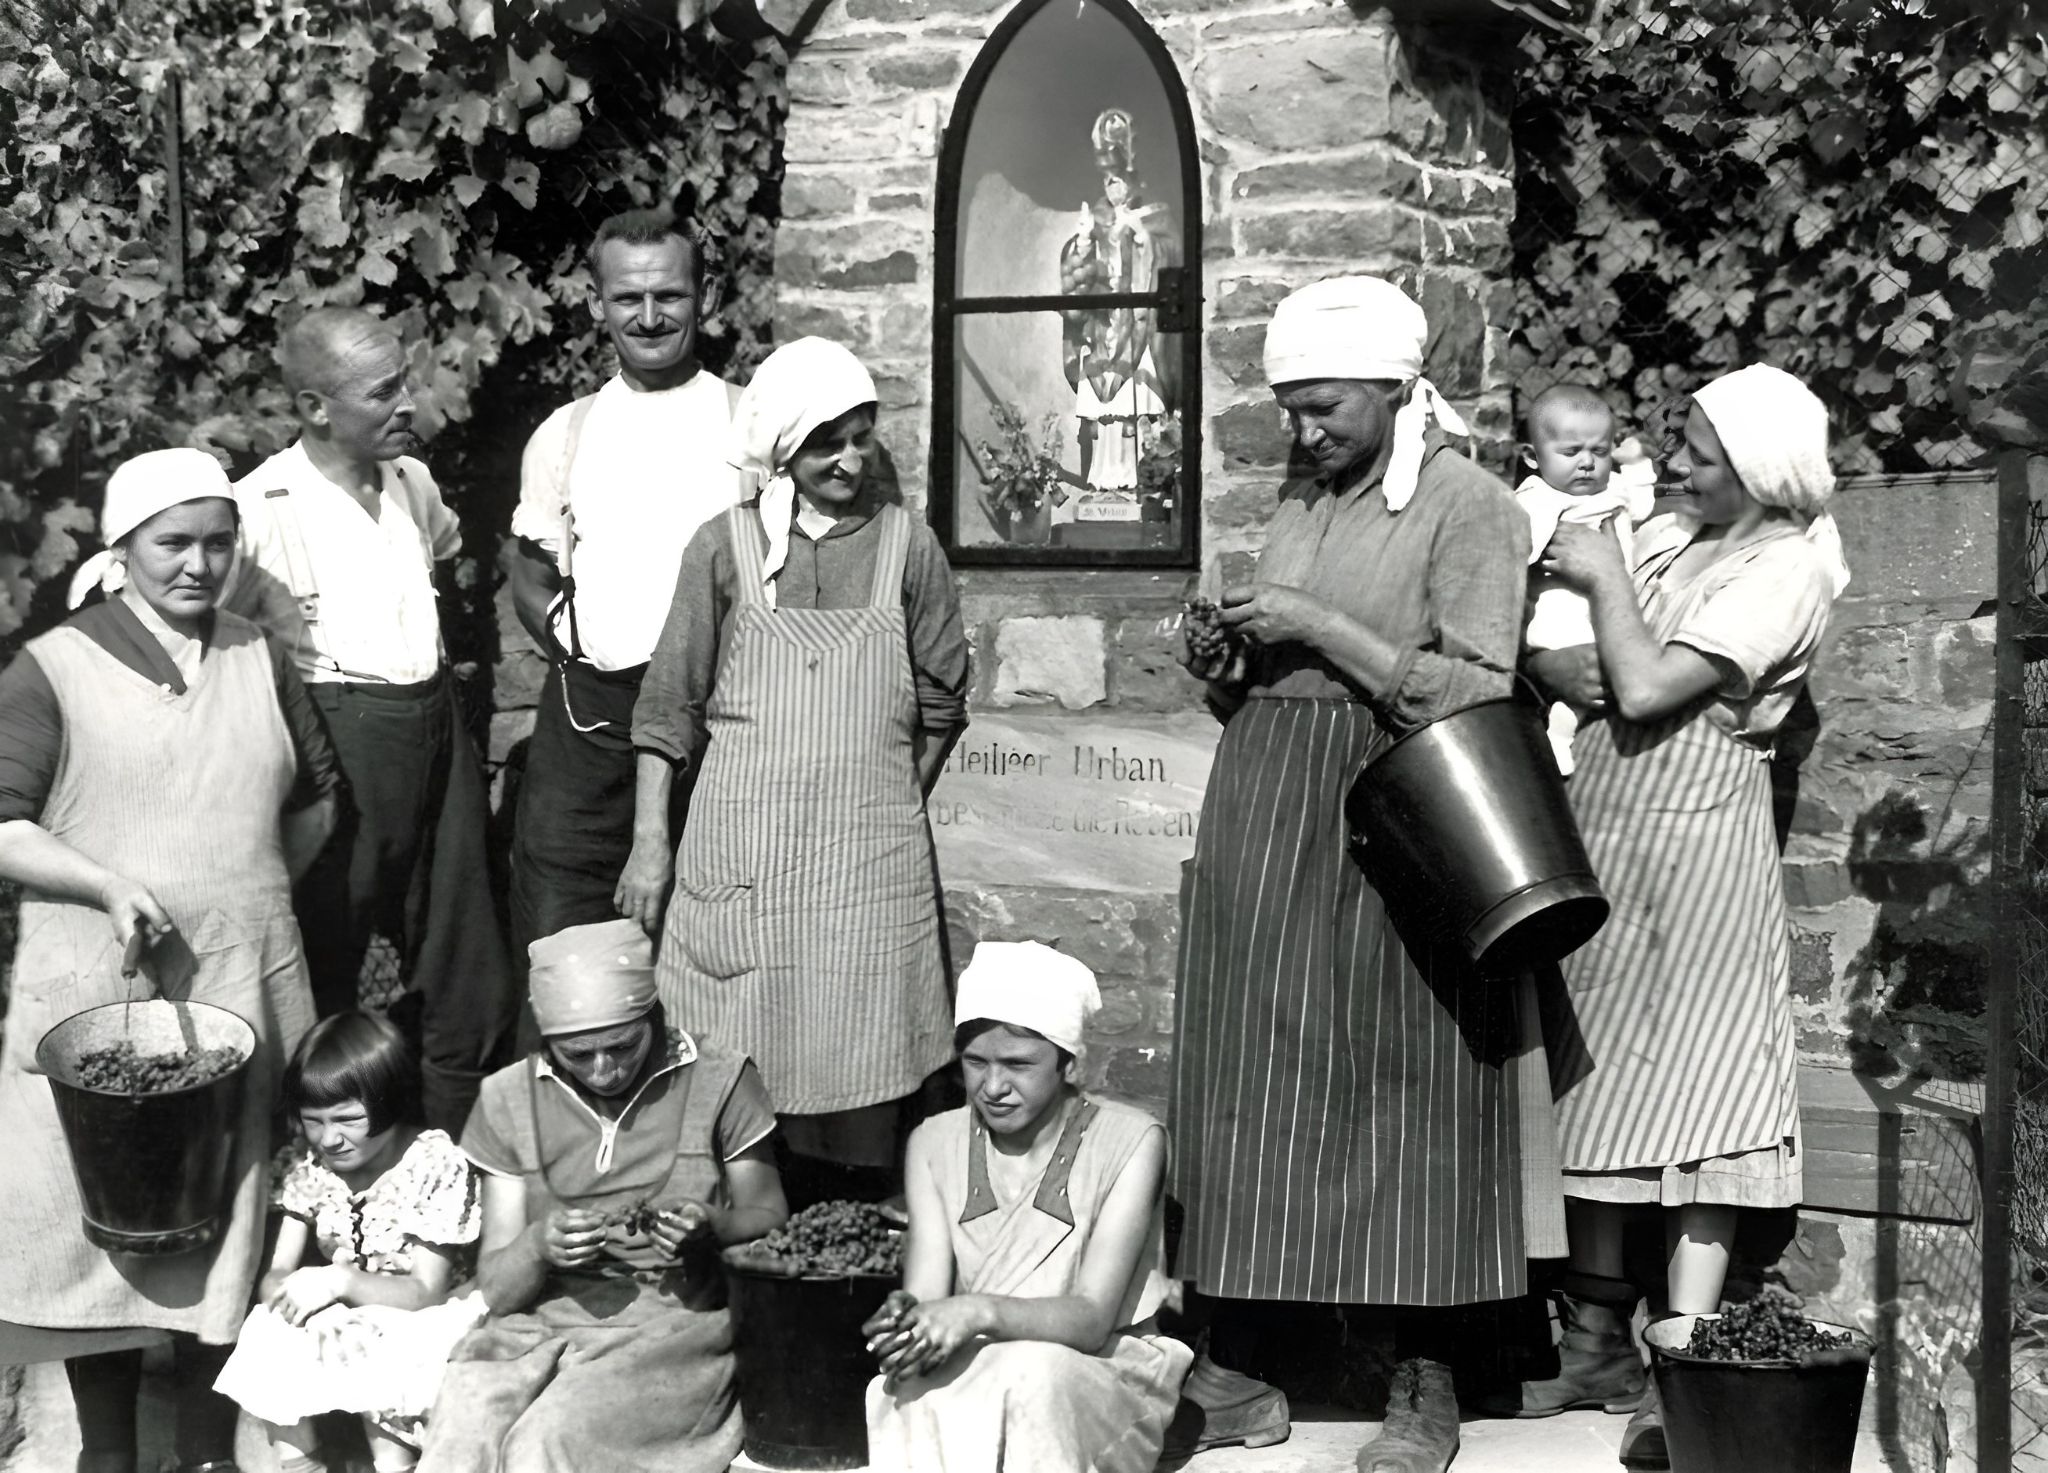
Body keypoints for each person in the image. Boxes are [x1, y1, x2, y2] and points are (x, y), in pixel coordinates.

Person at [1170, 276, 1553, 1473]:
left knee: (1409, 1078)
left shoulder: (1467, 506)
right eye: (1288, 410)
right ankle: (1236, 1361)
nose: (1301, 432)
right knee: (1252, 1070)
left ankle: (1424, 1379)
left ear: (1395, 387)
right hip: (1267, 798)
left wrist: (1316, 626)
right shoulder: (1306, 496)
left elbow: (1485, 686)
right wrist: (1222, 659)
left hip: (1404, 808)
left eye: (1323, 407)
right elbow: (1266, 664)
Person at [1508, 364, 1850, 1465]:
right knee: (1599, 1085)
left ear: (1756, 465)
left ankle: (1684, 1362)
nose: (1679, 459)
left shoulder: (1784, 565)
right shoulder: (1664, 538)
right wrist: (1587, 642)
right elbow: (1586, 666)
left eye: (1699, 447)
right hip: (1605, 841)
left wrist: (1605, 584)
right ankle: (1595, 1334)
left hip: (1699, 852)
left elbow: (1652, 688)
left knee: (1701, 1098)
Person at [0, 448, 338, 1473]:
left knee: (224, 1220)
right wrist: (107, 885)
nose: (198, 564)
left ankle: (204, 1451)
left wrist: (246, 897)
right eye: (172, 543)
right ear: (123, 548)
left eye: (217, 541)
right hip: (101, 984)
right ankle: (107, 1454)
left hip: (240, 984)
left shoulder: (257, 655)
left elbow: (315, 797)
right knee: (89, 1231)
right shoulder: (53, 665)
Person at [627, 336, 969, 1203]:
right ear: (784, 449)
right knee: (736, 1065)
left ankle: (847, 1261)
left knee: (861, 1066)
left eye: (861, 436)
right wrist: (648, 847)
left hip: (865, 874)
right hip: (744, 863)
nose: (850, 459)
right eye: (826, 443)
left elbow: (942, 708)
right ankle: (738, 1251)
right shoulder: (725, 546)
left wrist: (884, 803)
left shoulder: (907, 548)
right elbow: (668, 708)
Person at [227, 306, 514, 1134]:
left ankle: (456, 1161)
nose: (407, 406)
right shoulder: (261, 510)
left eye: (405, 384)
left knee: (467, 963)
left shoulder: (411, 484)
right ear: (316, 407)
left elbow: (448, 571)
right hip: (340, 739)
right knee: (329, 961)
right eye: (382, 392)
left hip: (434, 730)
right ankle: (319, 1169)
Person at [416, 919, 788, 1473]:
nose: (604, 1069)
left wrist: (714, 1225)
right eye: (577, 1054)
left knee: (545, 1444)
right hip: (534, 1324)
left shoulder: (720, 1080)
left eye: (622, 1046)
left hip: (672, 1330)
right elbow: (495, 1286)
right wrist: (538, 1247)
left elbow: (772, 1216)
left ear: (652, 1016)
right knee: (461, 1438)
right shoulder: (508, 1099)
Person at [504, 207, 747, 970]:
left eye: (669, 296)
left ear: (705, 297)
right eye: (627, 299)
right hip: (588, 729)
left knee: (711, 950)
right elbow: (532, 574)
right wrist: (583, 656)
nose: (648, 318)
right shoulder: (566, 432)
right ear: (596, 304)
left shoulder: (749, 428)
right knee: (565, 949)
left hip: (717, 728)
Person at [862, 941, 1193, 1471]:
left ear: (1068, 1063)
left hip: (1098, 1367)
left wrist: (975, 1310)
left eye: (1018, 1064)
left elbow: (1090, 1319)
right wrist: (909, 1325)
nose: (993, 1087)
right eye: (975, 1063)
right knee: (897, 1392)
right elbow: (925, 1292)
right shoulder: (933, 1141)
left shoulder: (1131, 1140)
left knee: (1034, 1377)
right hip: (978, 1356)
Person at [215, 1011, 483, 1473]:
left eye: (348, 1119)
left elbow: (426, 1291)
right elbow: (275, 1274)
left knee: (381, 1348)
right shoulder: (308, 1164)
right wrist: (314, 1305)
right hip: (338, 1306)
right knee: (270, 1325)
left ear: (390, 1102)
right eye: (313, 1121)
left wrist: (341, 1281)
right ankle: (300, 1463)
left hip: (420, 1313)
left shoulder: (433, 1162)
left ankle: (394, 1464)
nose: (330, 1138)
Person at [1513, 383, 1650, 775]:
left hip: (1608, 608)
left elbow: (1642, 503)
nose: (1587, 463)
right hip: (1562, 617)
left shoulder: (1611, 488)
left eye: (1600, 451)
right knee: (1588, 676)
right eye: (1571, 452)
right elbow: (1518, 550)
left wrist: (1637, 463)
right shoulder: (1538, 500)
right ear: (1532, 456)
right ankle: (1557, 735)